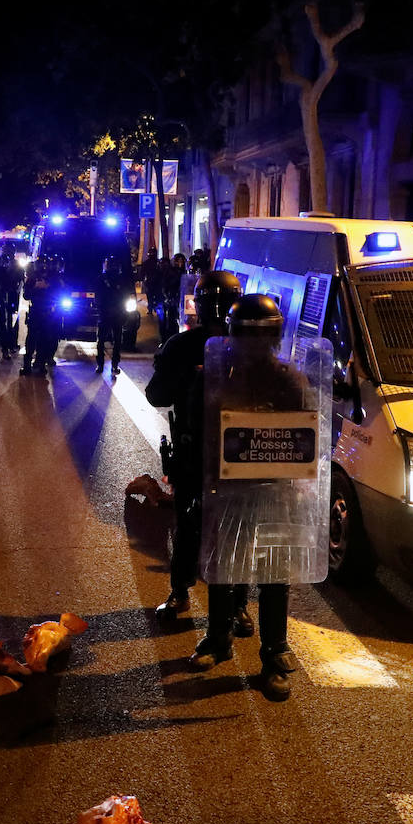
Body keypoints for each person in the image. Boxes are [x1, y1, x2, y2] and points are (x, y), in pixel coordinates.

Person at [190, 294, 306, 701]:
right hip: (229, 488)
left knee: (274, 575)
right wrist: (196, 485)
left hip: (275, 491)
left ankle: (274, 654)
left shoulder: (290, 380)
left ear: (274, 338)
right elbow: (199, 434)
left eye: (263, 337)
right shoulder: (217, 378)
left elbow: (310, 437)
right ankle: (217, 640)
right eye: (247, 337)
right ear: (233, 336)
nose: (255, 346)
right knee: (225, 568)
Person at [145, 271, 252, 637]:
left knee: (190, 524)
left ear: (200, 303)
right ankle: (236, 606)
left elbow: (156, 395)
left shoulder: (182, 344)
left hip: (202, 450)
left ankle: (182, 593)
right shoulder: (251, 344)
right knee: (236, 528)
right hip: (235, 453)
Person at [20, 255, 61, 377]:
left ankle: (41, 364)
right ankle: (27, 366)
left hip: (48, 313)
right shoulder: (32, 278)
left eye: (45, 264)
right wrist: (36, 287)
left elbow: (58, 293)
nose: (43, 267)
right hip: (36, 311)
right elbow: (26, 296)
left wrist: (48, 288)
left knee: (45, 340)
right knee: (31, 340)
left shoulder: (53, 278)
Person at [94, 256, 134, 374]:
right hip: (113, 313)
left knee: (103, 341)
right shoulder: (115, 279)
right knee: (114, 341)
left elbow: (98, 297)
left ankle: (104, 365)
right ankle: (112, 365)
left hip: (109, 313)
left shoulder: (105, 278)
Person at [0, 245, 24, 360]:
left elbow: (19, 283)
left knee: (10, 323)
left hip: (10, 298)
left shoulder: (16, 265)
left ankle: (10, 346)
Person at [162, 253, 187, 341]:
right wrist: (168, 297)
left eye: (182, 261)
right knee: (170, 320)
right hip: (172, 299)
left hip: (183, 299)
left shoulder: (186, 272)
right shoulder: (170, 271)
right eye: (178, 261)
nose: (180, 263)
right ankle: (168, 339)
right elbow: (166, 285)